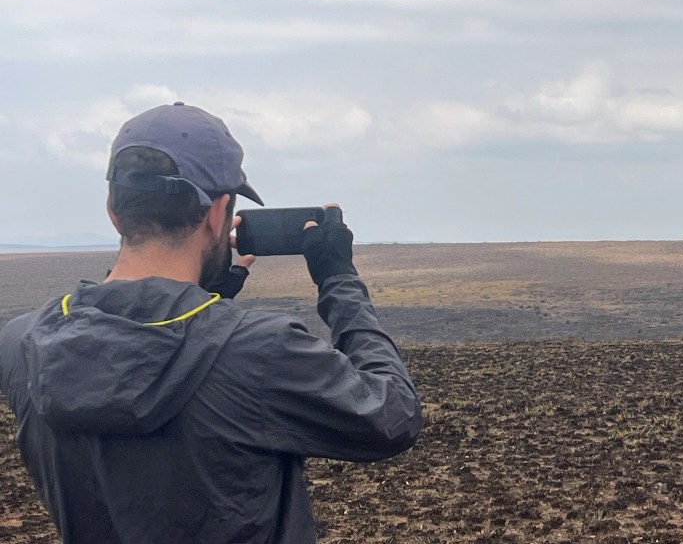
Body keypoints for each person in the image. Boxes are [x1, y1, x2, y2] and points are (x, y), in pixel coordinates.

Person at [0, 102, 422, 543]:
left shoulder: (22, 344)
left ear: (113, 209)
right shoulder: (261, 351)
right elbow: (392, 414)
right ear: (217, 212)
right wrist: (339, 279)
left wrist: (201, 304)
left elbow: (123, 358)